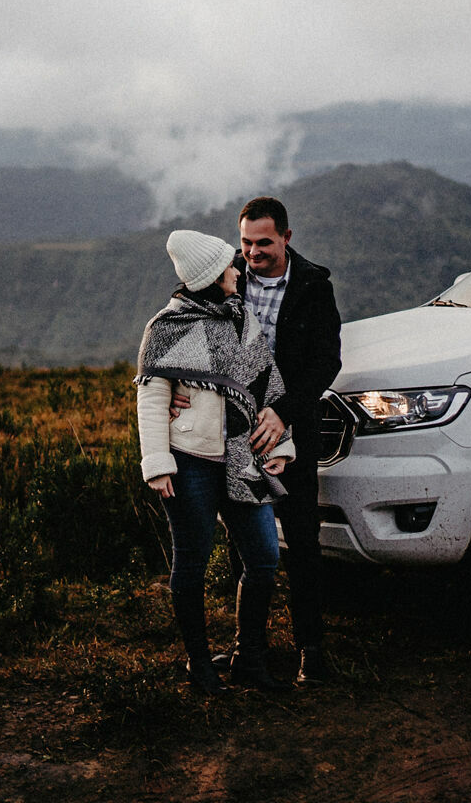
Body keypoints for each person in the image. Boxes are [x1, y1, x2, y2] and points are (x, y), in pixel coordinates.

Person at [136, 228, 295, 694]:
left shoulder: (240, 319)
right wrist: (158, 461)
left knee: (264, 559)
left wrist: (280, 446)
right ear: (210, 277)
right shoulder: (166, 326)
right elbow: (152, 397)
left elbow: (268, 383)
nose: (237, 269)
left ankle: (249, 657)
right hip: (189, 463)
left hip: (244, 457)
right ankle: (200, 665)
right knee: (192, 565)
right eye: (229, 265)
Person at [232, 196, 343, 683]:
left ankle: (310, 654)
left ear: (286, 239)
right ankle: (247, 653)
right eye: (245, 243)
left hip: (294, 431)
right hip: (236, 435)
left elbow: (326, 362)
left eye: (263, 243)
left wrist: (284, 413)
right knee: (243, 546)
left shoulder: (314, 287)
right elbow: (183, 322)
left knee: (302, 542)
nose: (252, 253)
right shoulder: (226, 278)